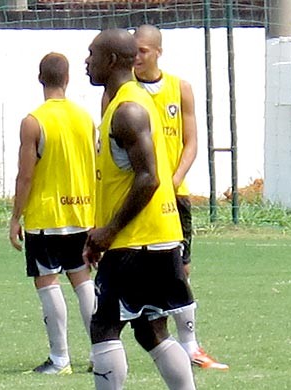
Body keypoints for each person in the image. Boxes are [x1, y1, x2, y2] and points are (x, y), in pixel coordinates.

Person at [84, 28, 197, 390]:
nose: (86, 62)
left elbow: (147, 179)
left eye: (92, 55)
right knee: (151, 330)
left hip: (136, 241)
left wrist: (109, 231)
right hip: (155, 237)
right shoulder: (128, 102)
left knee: (104, 325)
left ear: (112, 60)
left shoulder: (128, 110)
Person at [132, 24, 228, 371]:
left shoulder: (180, 88)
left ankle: (190, 345)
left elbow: (191, 141)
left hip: (174, 195)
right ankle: (143, 335)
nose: (136, 57)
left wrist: (175, 178)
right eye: (133, 50)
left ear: (158, 51)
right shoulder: (124, 90)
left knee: (180, 268)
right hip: (137, 196)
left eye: (142, 50)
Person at [8, 52, 96, 375]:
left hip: (46, 217)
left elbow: (26, 174)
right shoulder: (85, 118)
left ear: (40, 78)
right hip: (83, 212)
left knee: (47, 281)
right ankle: (100, 353)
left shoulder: (34, 121)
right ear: (68, 79)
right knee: (82, 280)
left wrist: (16, 216)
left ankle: (60, 359)